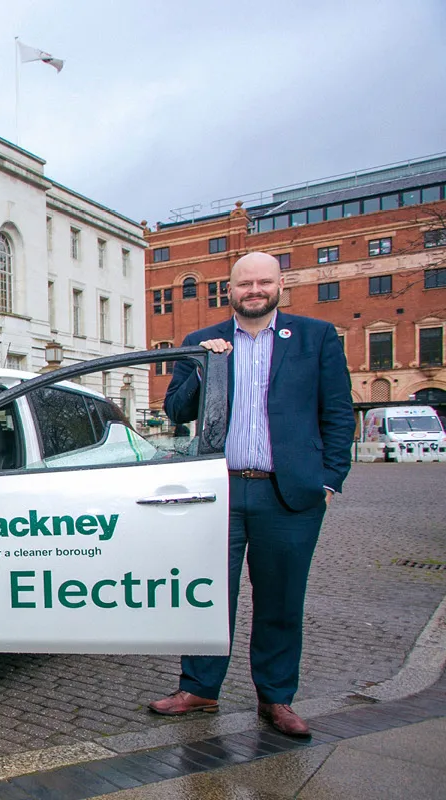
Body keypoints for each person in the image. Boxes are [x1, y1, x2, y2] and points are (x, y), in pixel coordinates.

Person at [149, 251, 354, 737]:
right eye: (245, 284)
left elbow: (338, 413)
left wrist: (329, 480)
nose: (254, 291)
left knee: (281, 601)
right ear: (231, 289)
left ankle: (276, 698)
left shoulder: (315, 337)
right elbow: (175, 410)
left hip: (289, 494)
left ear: (280, 285)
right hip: (218, 492)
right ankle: (199, 687)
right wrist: (204, 368)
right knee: (208, 596)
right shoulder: (201, 341)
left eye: (264, 282)